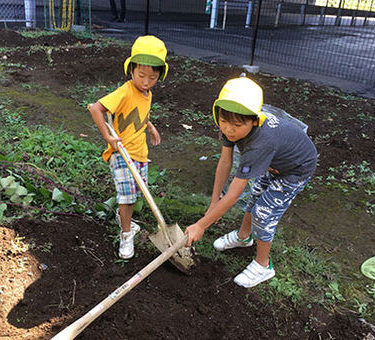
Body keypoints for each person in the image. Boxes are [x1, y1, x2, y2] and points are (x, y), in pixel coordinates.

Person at [185, 75, 317, 288]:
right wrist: (213, 203)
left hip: (295, 169)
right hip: (274, 161)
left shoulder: (259, 144)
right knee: (255, 197)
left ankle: (263, 265)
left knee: (263, 213)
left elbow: (234, 193)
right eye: (224, 121)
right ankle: (244, 236)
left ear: (254, 120)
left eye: (237, 125)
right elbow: (225, 163)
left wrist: (201, 225)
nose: (228, 129)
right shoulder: (231, 125)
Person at [89, 35, 168, 259]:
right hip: (121, 153)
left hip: (140, 153)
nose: (145, 82)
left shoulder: (147, 93)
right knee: (128, 197)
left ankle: (123, 217)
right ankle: (126, 234)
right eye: (141, 75)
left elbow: (139, 114)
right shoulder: (124, 91)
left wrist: (150, 127)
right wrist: (108, 137)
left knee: (134, 195)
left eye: (152, 78)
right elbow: (96, 109)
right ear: (131, 70)